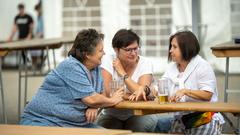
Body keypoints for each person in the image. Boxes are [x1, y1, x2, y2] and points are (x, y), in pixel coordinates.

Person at [20, 29, 124, 128]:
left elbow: (102, 94)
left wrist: (95, 106)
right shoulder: (71, 66)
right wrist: (112, 100)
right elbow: (91, 99)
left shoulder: (95, 67)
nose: (104, 53)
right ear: (87, 54)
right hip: (44, 121)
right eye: (100, 50)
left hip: (73, 124)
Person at [155, 31, 225, 134]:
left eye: (174, 47)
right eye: (171, 47)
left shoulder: (202, 66)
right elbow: (160, 86)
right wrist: (152, 90)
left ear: (185, 48)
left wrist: (186, 91)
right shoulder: (172, 68)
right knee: (157, 125)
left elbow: (208, 94)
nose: (170, 50)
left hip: (204, 118)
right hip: (181, 119)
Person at [96, 29, 159, 132]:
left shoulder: (145, 63)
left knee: (138, 128)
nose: (133, 53)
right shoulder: (108, 60)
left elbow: (141, 94)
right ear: (116, 50)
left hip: (141, 113)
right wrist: (132, 94)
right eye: (128, 50)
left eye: (136, 48)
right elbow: (107, 92)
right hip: (112, 114)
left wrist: (122, 73)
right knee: (103, 130)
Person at [30, 2, 45, 70]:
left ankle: (39, 64)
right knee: (33, 51)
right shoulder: (37, 17)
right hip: (36, 36)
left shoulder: (42, 18)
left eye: (38, 10)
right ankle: (34, 64)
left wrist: (37, 36)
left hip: (40, 37)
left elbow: (42, 31)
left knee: (39, 51)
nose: (37, 11)